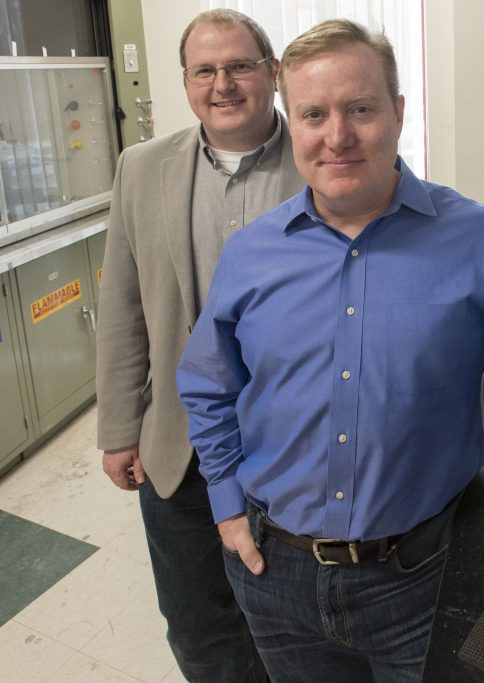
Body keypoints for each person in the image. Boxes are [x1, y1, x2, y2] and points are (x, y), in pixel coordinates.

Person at [176, 18, 484, 683]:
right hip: (274, 572)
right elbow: (207, 386)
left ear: (398, 114)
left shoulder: (474, 236)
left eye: (361, 109)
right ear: (293, 121)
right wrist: (227, 506)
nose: (337, 135)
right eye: (314, 113)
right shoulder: (251, 253)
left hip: (422, 572)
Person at [94, 9, 306, 681]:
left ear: (271, 73)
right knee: (199, 626)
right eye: (204, 70)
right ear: (185, 82)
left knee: (298, 626)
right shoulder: (141, 168)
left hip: (297, 447)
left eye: (240, 65)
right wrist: (120, 426)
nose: (223, 84)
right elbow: (123, 307)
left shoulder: (324, 158)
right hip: (178, 450)